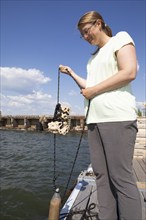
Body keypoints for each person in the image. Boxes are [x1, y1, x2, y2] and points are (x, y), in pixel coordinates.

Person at [59, 11, 142, 220]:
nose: (85, 37)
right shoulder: (93, 58)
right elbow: (91, 86)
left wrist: (93, 91)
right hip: (95, 121)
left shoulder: (120, 39)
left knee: (120, 178)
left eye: (87, 32)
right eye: (82, 35)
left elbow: (129, 71)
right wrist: (71, 73)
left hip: (117, 119)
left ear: (98, 23)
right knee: (101, 176)